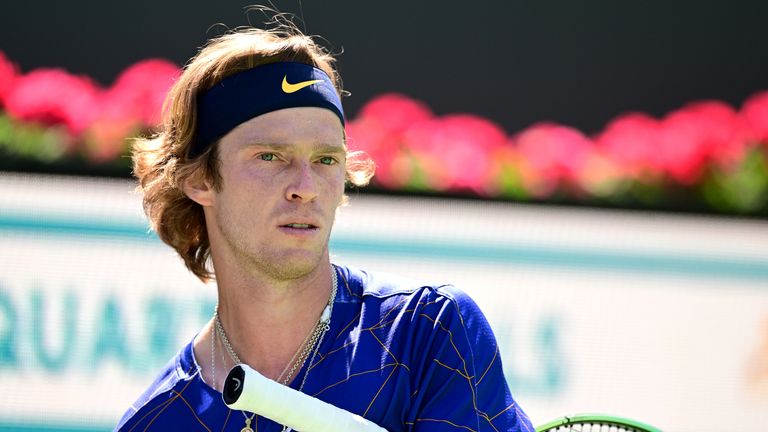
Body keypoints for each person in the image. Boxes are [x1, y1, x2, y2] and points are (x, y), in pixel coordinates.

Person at [116, 22, 533, 432]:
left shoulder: (428, 332)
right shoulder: (155, 421)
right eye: (270, 157)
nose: (305, 188)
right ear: (200, 179)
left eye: (326, 160)